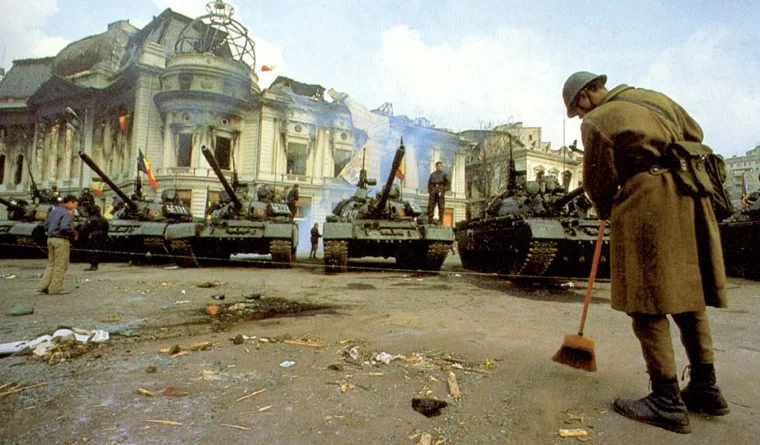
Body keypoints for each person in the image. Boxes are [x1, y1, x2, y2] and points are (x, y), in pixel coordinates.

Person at [563, 71, 729, 434]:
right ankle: (706, 387)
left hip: (648, 202)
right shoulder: (654, 97)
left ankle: (666, 401)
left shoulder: (598, 120)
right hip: (691, 198)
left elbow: (598, 181)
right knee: (689, 294)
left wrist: (605, 206)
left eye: (577, 110)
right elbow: (696, 132)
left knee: (645, 299)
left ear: (586, 96)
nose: (580, 116)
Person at [39, 194, 79, 295]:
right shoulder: (67, 213)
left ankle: (44, 286)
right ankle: (55, 288)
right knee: (61, 264)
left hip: (50, 239)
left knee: (51, 264)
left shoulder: (54, 211)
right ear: (70, 202)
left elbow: (45, 225)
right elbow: (64, 228)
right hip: (61, 240)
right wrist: (74, 233)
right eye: (75, 204)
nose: (75, 207)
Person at [82, 205, 109, 271]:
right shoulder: (104, 219)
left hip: (93, 236)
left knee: (91, 251)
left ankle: (93, 265)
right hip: (101, 236)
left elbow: (84, 228)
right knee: (97, 251)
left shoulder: (91, 219)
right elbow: (107, 228)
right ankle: (95, 265)